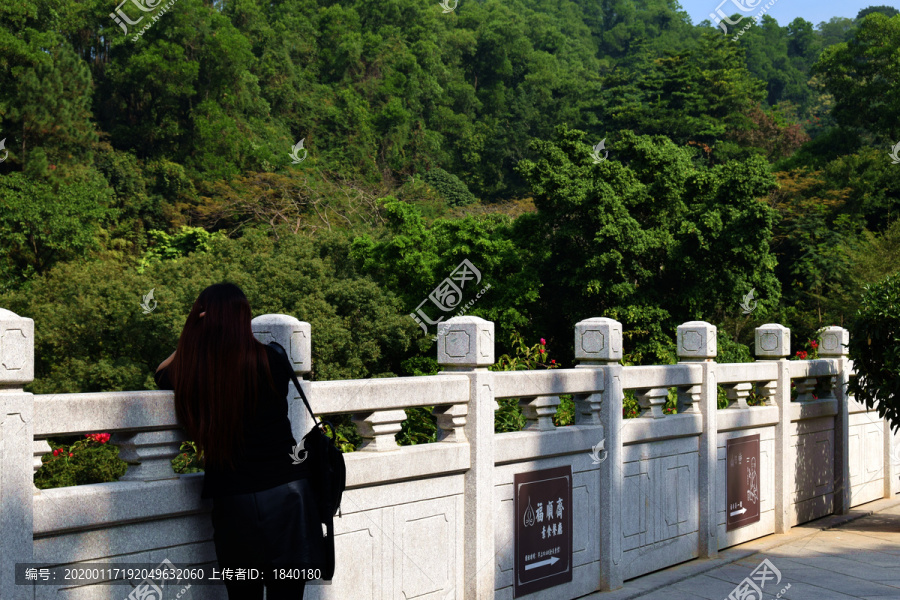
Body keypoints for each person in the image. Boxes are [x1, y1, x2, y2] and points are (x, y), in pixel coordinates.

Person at [155, 282, 325, 599]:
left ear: (204, 318)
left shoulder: (191, 373)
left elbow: (160, 371)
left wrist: (194, 331)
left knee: (242, 594)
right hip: (288, 494)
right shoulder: (272, 360)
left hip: (234, 502)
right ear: (244, 318)